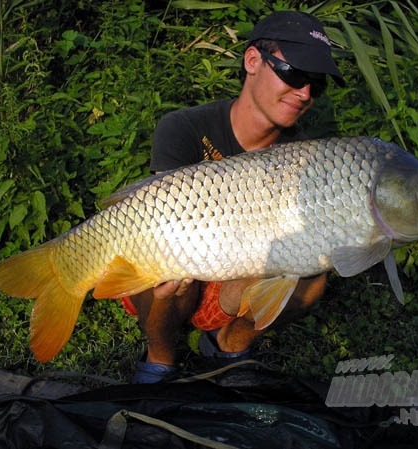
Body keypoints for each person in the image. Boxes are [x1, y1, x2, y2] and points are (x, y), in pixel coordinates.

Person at [124, 10, 345, 383]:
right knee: (166, 265)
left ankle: (228, 346)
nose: (305, 93)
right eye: (294, 74)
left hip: (238, 279)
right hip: (183, 271)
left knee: (312, 280)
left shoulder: (307, 158)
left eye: (316, 84)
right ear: (253, 61)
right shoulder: (183, 127)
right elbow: (161, 223)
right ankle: (160, 357)